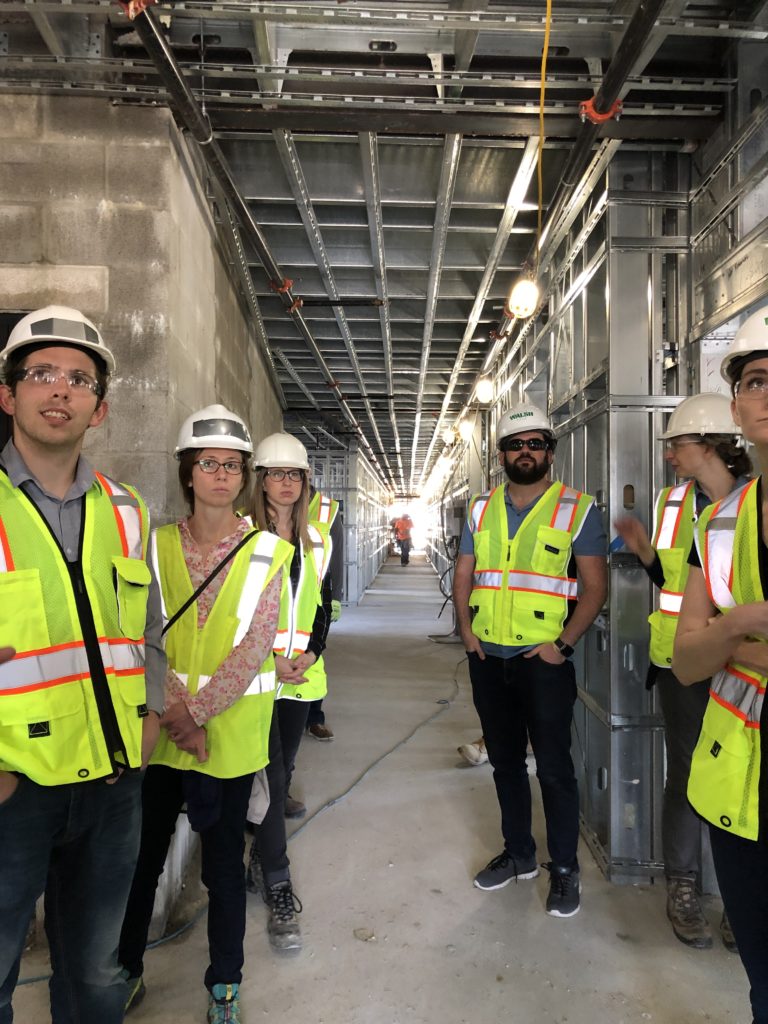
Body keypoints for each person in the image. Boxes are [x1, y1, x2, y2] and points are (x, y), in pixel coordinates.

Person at [0, 305, 165, 1024]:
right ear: (8, 394)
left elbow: (149, 627)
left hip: (113, 784)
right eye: (41, 373)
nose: (60, 388)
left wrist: (151, 715)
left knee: (97, 975)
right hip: (15, 789)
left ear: (98, 408)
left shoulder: (127, 511)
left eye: (79, 378)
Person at [117, 405, 292, 1023]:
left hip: (227, 738)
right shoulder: (154, 545)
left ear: (243, 476)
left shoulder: (268, 551)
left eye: (232, 466)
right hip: (161, 733)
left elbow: (256, 644)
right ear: (187, 472)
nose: (221, 475)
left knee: (221, 868)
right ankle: (125, 973)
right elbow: (138, 633)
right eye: (208, 463)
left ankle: (225, 986)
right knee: (142, 861)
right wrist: (174, 712)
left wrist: (197, 713)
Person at [453, 402, 607, 917]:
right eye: (516, 445)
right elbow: (465, 572)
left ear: (550, 452)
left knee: (555, 769)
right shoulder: (480, 508)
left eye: (535, 444)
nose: (526, 452)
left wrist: (561, 646)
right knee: (504, 764)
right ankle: (519, 853)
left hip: (543, 662)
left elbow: (595, 586)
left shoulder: (577, 509)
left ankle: (563, 869)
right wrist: (466, 631)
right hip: (487, 656)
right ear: (501, 455)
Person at [614, 392, 747, 951]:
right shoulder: (672, 503)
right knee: (688, 772)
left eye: (678, 444)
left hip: (746, 666)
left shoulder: (755, 503)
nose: (669, 453)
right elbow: (670, 582)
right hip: (680, 663)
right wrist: (644, 551)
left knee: (746, 776)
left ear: (712, 444)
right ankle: (684, 886)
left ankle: (742, 899)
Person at [674, 305, 768, 1024]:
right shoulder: (720, 524)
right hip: (740, 786)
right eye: (757, 380)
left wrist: (719, 636)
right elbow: (687, 660)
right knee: (762, 983)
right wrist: (737, 625)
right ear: (737, 408)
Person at [246, 433, 333, 953]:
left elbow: (323, 604)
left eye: (294, 474)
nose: (285, 482)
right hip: (257, 677)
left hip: (301, 678)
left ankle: (259, 858)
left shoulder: (317, 539)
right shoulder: (241, 534)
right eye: (276, 473)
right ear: (261, 481)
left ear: (304, 482)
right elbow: (231, 616)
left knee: (285, 770)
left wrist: (312, 653)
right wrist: (268, 660)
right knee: (274, 779)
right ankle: (278, 882)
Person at [305, 488, 343, 742]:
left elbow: (337, 554)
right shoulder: (264, 504)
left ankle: (314, 717)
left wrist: (335, 596)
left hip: (318, 595)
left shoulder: (328, 509)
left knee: (314, 655)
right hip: (281, 594)